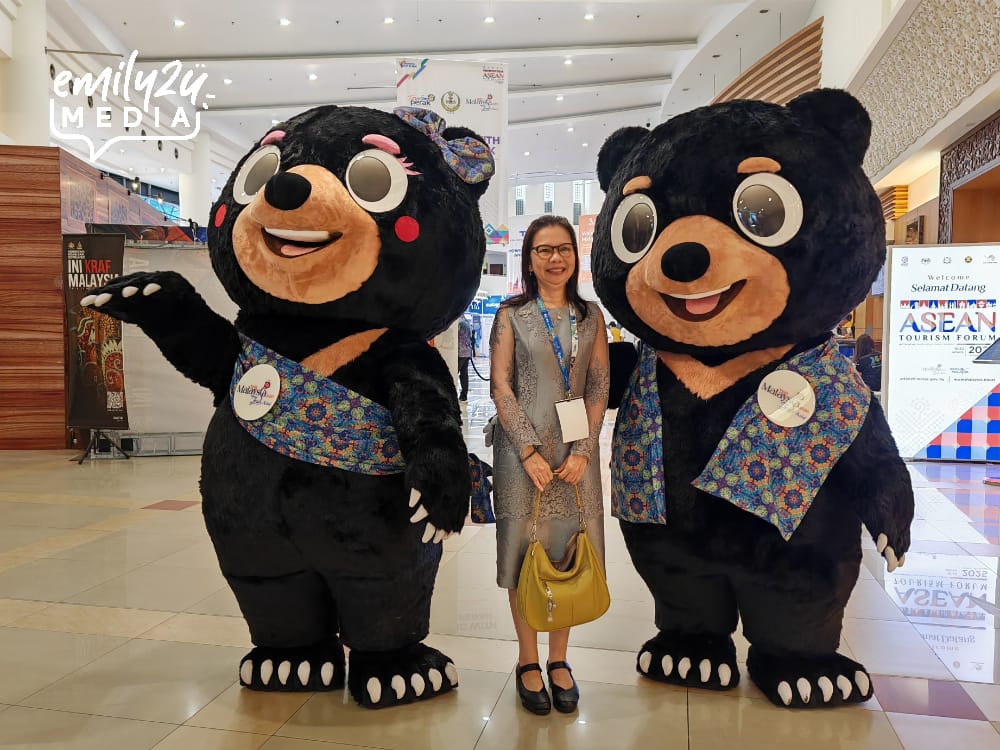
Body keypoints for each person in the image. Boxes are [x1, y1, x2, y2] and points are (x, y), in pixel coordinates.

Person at [489, 215, 610, 715]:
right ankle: (527, 659)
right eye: (544, 250)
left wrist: (583, 451)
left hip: (576, 455)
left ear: (574, 255)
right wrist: (528, 451)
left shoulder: (592, 316)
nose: (555, 258)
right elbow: (501, 387)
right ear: (530, 258)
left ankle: (559, 659)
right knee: (523, 556)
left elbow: (599, 386)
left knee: (569, 554)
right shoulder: (511, 313)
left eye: (563, 249)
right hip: (524, 457)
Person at [457, 315, 473, 402]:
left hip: (460, 353)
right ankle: (464, 395)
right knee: (464, 375)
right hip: (467, 352)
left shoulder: (459, 323)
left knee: (454, 373)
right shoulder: (467, 322)